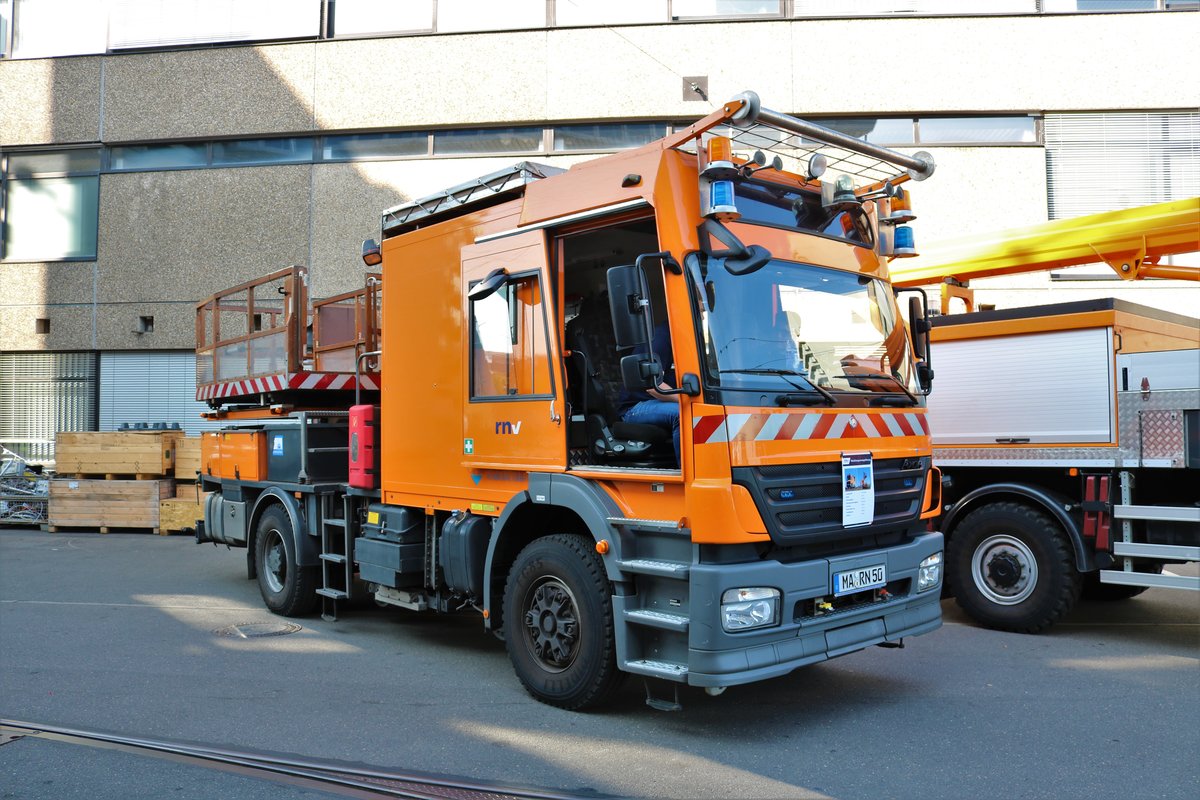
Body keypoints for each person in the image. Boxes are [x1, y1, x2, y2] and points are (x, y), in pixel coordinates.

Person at [618, 320, 680, 465]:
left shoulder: (686, 340)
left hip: (661, 403)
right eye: (700, 309)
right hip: (635, 407)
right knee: (683, 414)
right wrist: (686, 400)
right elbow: (652, 385)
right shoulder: (660, 337)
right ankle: (688, 473)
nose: (702, 318)